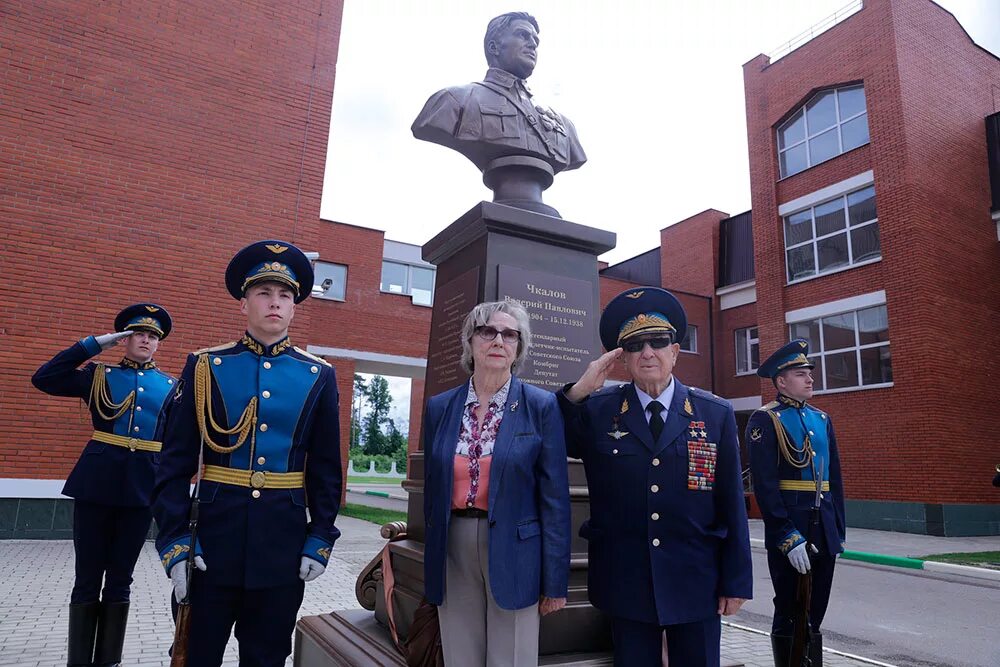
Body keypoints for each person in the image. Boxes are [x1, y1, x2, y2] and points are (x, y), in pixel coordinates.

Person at [152, 240, 342, 667]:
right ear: (244, 304)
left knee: (267, 657)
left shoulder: (319, 375)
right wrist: (176, 541)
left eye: (285, 296)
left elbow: (327, 470)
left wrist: (320, 537)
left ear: (294, 308)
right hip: (210, 545)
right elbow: (173, 464)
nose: (275, 303)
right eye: (264, 293)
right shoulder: (205, 366)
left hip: (283, 545)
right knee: (197, 655)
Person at [558, 286, 752, 667]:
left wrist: (736, 580)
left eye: (658, 342)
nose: (648, 352)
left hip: (696, 580)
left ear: (675, 352)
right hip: (627, 581)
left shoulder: (714, 414)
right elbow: (554, 439)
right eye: (635, 345)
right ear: (623, 359)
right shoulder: (598, 410)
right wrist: (579, 390)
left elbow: (731, 502)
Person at [422, 300, 571, 667]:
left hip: (517, 550)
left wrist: (555, 581)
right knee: (460, 654)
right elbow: (432, 488)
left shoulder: (540, 406)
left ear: (519, 347)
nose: (498, 340)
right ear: (470, 342)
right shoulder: (441, 407)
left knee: (512, 657)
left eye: (509, 334)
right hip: (454, 546)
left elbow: (555, 499)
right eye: (487, 331)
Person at [32, 303, 176, 667]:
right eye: (138, 333)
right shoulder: (99, 375)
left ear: (159, 344)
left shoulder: (173, 388)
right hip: (96, 486)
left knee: (120, 580)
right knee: (87, 578)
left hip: (142, 489)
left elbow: (181, 444)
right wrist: (95, 345)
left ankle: (107, 661)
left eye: (153, 336)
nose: (145, 339)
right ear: (125, 340)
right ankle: (79, 662)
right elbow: (44, 378)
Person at [747, 339, 845, 667]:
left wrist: (838, 530)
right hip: (792, 525)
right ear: (781, 381)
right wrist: (785, 535)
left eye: (809, 373)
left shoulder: (822, 419)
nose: (810, 379)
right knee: (790, 607)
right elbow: (765, 485)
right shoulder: (766, 419)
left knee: (816, 610)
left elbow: (835, 479)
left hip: (823, 524)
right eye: (801, 373)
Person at [412, 11, 587, 176]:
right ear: (494, 47)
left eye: (536, 40)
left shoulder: (564, 124)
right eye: (522, 35)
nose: (533, 44)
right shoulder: (454, 100)